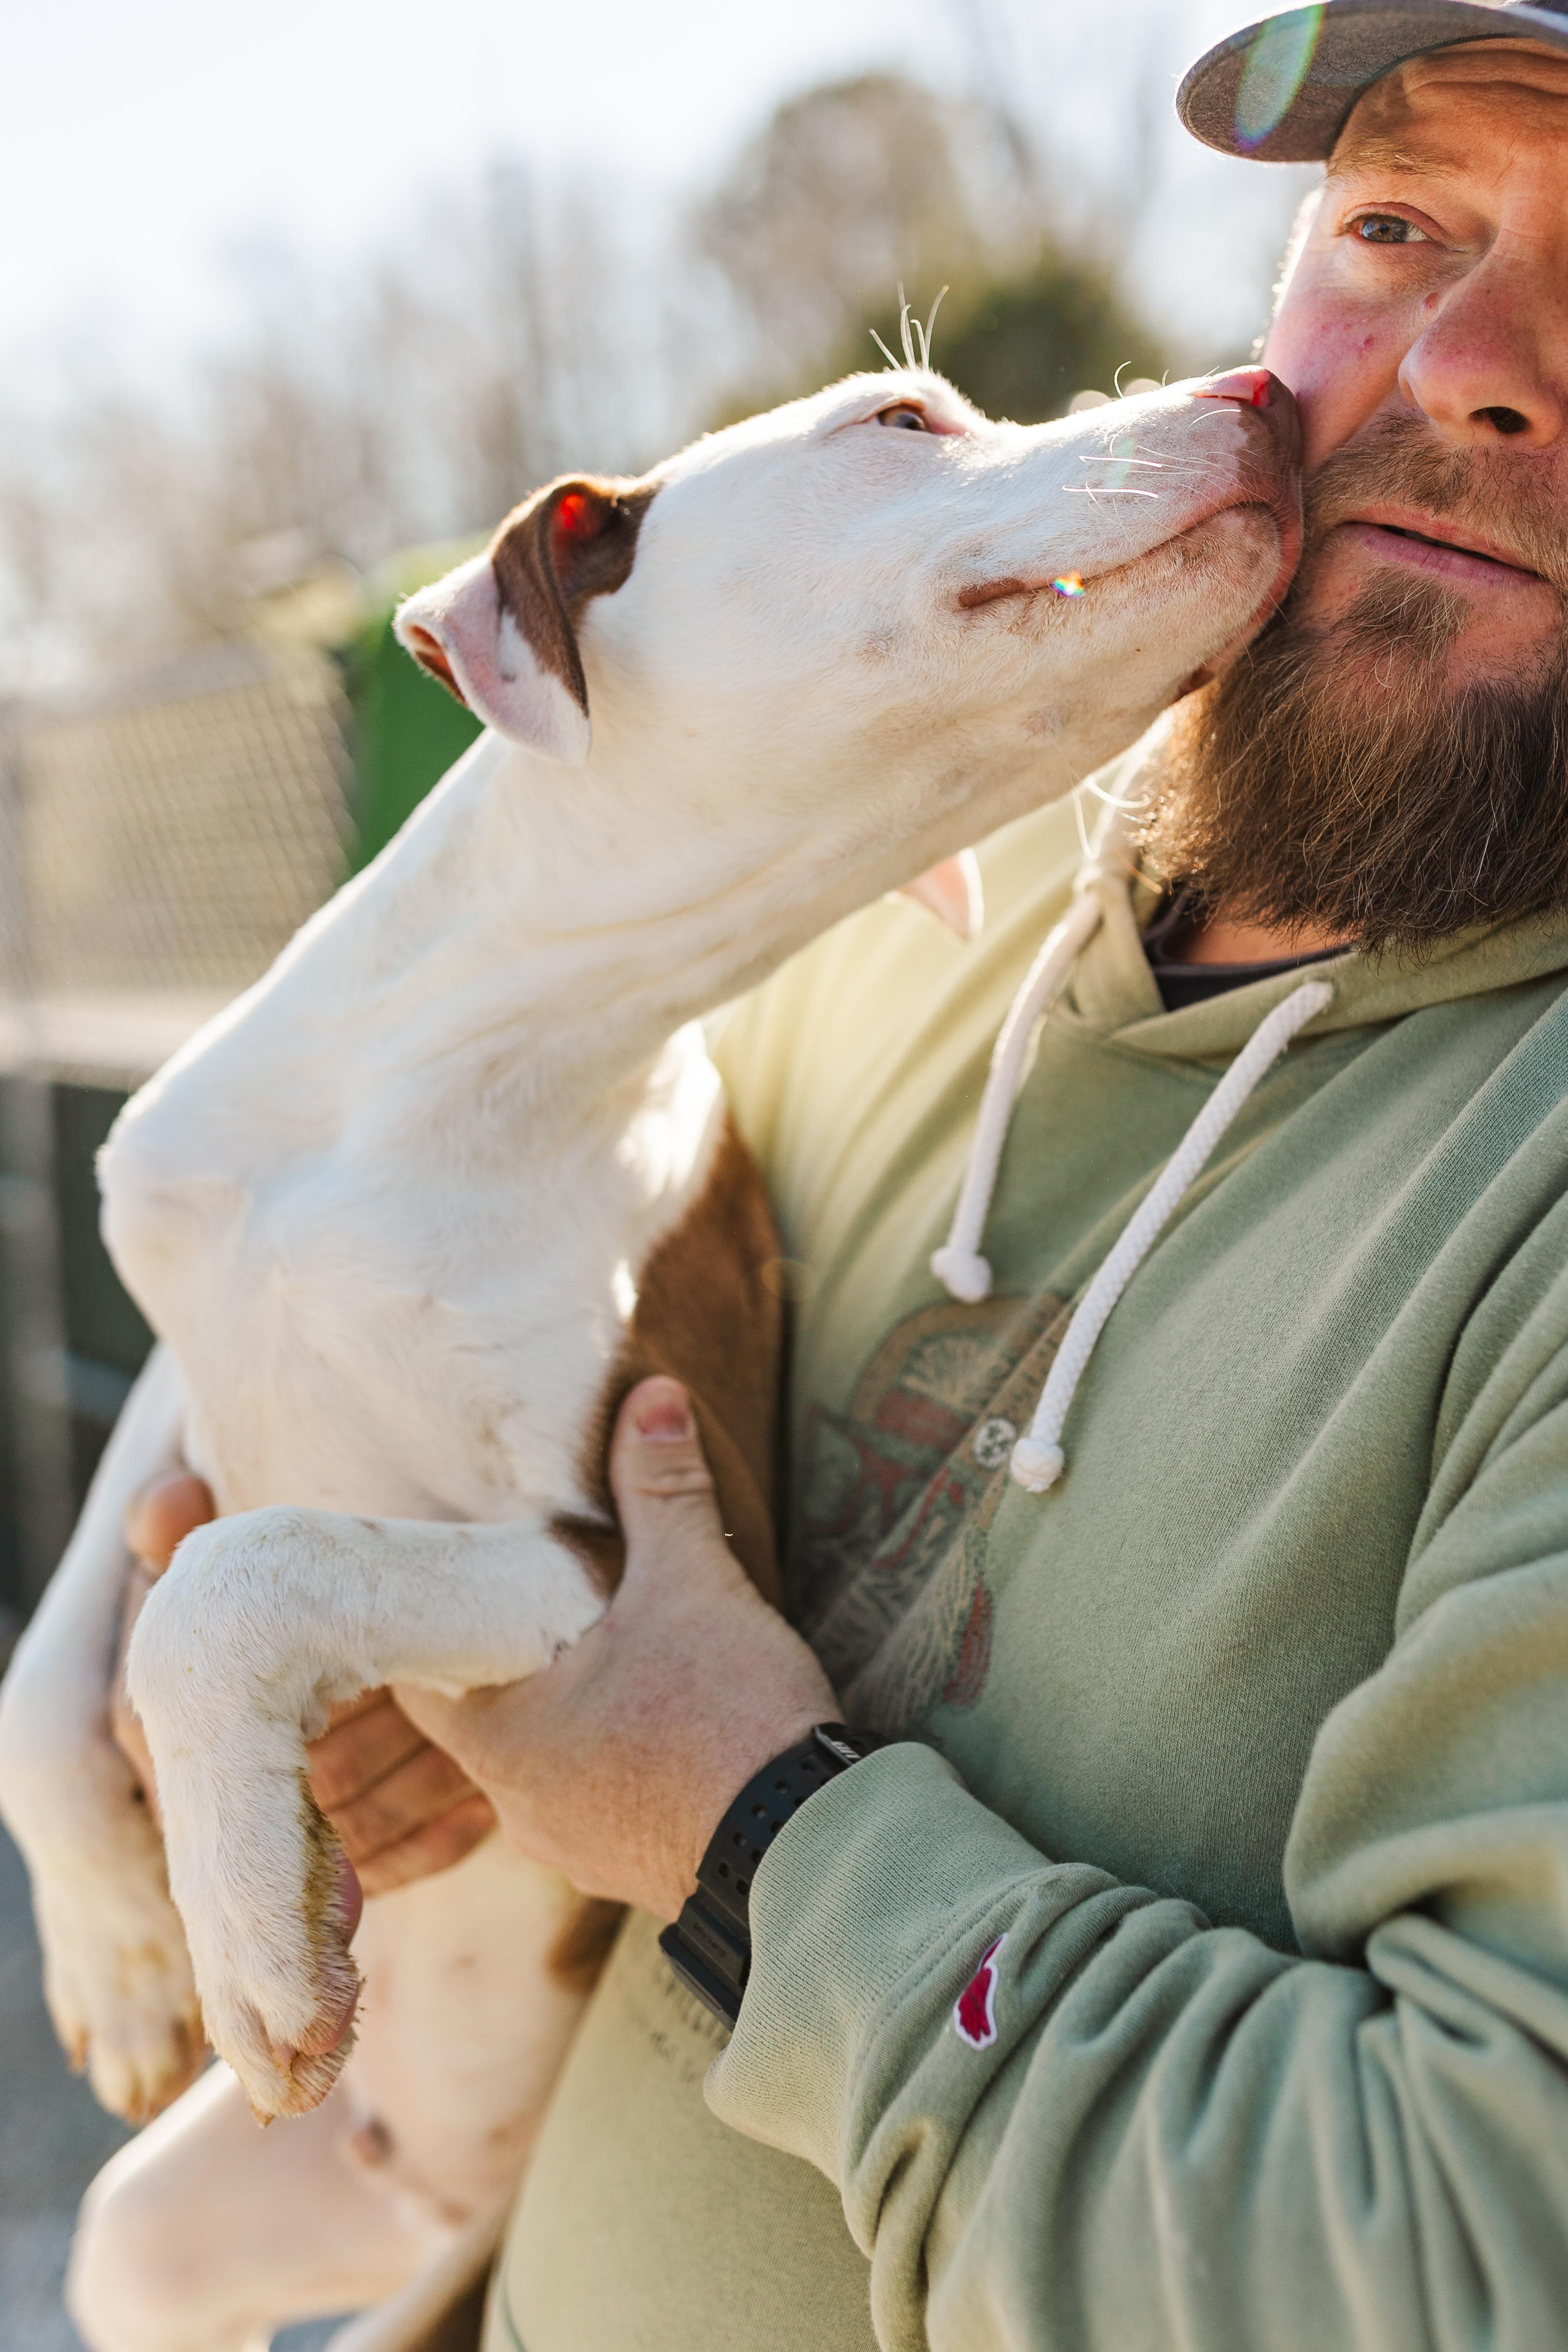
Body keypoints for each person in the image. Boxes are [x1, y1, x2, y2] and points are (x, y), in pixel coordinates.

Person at [118, 6, 1568, 2344]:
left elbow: (1464, 2262)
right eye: (1397, 223)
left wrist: (741, 1825)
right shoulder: (859, 909)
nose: (1480, 358)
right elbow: (351, 1317)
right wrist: (338, 1661)